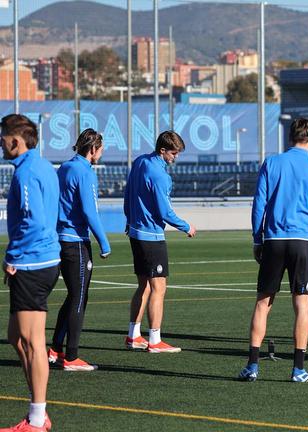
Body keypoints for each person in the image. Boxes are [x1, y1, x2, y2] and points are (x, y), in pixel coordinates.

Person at [239, 118, 308, 383]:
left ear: (289, 137)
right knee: (302, 307)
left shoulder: (272, 163)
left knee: (262, 304)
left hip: (274, 241)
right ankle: (298, 369)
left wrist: (258, 239)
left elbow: (259, 205)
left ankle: (252, 366)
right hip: (302, 243)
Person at [1, 114, 60, 432]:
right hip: (41, 261)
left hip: (32, 263)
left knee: (33, 341)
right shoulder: (43, 167)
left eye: (3, 138)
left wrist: (13, 257)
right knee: (16, 337)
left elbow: (33, 221)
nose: (1, 144)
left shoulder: (26, 174)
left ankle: (37, 418)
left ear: (15, 140)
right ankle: (37, 411)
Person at [123, 131, 196, 353]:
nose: (175, 157)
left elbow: (128, 194)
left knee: (143, 285)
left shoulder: (140, 162)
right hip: (151, 236)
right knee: (159, 287)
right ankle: (155, 340)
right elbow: (165, 212)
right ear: (162, 150)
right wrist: (186, 227)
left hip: (136, 232)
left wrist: (129, 219)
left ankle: (133, 335)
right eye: (173, 153)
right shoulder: (160, 175)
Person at [47, 129, 111, 372]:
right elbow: (89, 211)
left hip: (60, 239)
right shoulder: (85, 172)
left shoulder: (64, 167)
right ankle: (71, 357)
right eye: (101, 149)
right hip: (76, 242)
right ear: (93, 149)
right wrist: (104, 242)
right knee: (79, 296)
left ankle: (55, 349)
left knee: (73, 294)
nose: (101, 154)